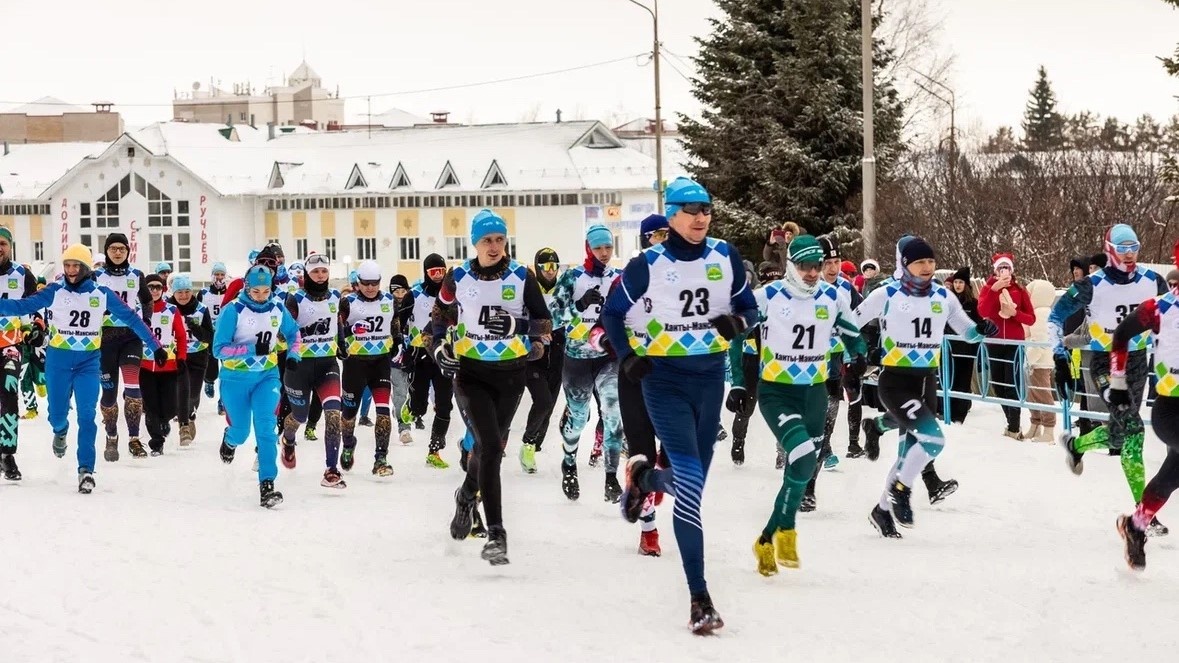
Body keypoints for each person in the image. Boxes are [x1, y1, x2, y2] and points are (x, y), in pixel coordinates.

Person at [605, 177, 758, 634]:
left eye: (706, 208)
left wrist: (738, 324)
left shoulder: (725, 256)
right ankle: (699, 599)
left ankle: (645, 478)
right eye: (690, 209)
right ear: (671, 215)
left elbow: (750, 309)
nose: (700, 217)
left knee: (691, 486)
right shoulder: (648, 263)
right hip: (664, 381)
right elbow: (612, 313)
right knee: (689, 485)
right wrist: (627, 356)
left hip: (710, 381)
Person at [732, 235, 866, 576]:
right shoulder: (769, 296)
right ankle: (782, 531)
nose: (812, 273)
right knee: (803, 455)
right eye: (805, 266)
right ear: (790, 265)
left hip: (814, 393)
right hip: (777, 392)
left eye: (817, 266)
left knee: (803, 468)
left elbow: (852, 335)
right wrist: (737, 381)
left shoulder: (833, 297)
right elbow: (735, 334)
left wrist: (858, 360)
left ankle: (772, 536)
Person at [853, 236, 995, 538]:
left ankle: (882, 510)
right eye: (920, 262)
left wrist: (982, 329)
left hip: (926, 381)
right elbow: (851, 322)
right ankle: (901, 490)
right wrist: (858, 352)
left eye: (931, 261)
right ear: (905, 265)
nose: (928, 266)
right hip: (896, 382)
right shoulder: (886, 293)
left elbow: (967, 331)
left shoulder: (944, 296)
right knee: (933, 441)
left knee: (909, 454)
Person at [0, 244, 164, 493]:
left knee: (87, 415)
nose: (71, 270)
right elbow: (22, 307)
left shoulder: (102, 294)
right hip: (58, 362)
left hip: (88, 363)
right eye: (67, 265)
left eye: (76, 265)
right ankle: (60, 431)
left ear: (86, 268)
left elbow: (131, 317)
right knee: (56, 415)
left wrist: (155, 346)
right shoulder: (55, 291)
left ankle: (86, 470)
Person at [438, 209, 552, 566]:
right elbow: (439, 316)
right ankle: (496, 534)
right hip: (470, 373)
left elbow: (544, 322)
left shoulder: (521, 275)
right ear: (474, 243)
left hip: (511, 374)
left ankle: (466, 496)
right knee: (489, 447)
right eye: (487, 240)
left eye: (500, 239)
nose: (494, 246)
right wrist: (439, 347)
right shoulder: (457, 276)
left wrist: (516, 326)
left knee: (491, 449)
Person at [1050, 224, 1167, 535]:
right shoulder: (1092, 285)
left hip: (1137, 362)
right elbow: (1055, 317)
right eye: (1122, 248)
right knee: (1133, 430)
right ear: (1110, 250)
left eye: (1134, 247)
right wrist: (1059, 357)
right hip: (1104, 362)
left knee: (1119, 434)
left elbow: (1171, 316)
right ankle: (1144, 515)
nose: (1129, 254)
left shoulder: (1152, 281)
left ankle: (1076, 444)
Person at [588, 213, 669, 556]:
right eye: (659, 235)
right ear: (646, 240)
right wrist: (612, 345)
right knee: (641, 452)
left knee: (674, 454)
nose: (666, 240)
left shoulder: (687, 279)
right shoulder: (627, 279)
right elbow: (597, 329)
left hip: (674, 374)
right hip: (635, 372)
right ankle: (649, 531)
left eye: (670, 233)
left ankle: (658, 476)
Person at [214, 264, 301, 508]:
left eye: (266, 291)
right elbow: (219, 349)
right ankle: (230, 439)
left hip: (267, 377)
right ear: (246, 288)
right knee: (242, 431)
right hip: (235, 379)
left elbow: (294, 333)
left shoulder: (277, 307)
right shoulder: (234, 310)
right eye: (256, 291)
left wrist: (294, 355)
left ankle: (267, 484)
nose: (262, 296)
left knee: (266, 429)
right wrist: (252, 349)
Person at [1114, 245, 1179, 568]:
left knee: (1171, 476)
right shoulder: (1159, 308)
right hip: (1170, 408)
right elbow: (1121, 334)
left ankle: (1136, 525)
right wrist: (1117, 382)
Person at [549, 224, 623, 501]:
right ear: (588, 248)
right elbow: (552, 318)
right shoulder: (572, 277)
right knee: (579, 419)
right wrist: (578, 306)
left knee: (613, 411)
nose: (604, 253)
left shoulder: (619, 278)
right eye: (598, 247)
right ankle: (569, 462)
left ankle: (611, 477)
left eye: (608, 247)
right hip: (577, 358)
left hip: (608, 358)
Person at [281, 252, 346, 487]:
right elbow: (285, 332)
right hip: (299, 366)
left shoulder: (336, 296)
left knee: (333, 414)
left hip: (327, 364)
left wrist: (342, 343)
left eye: (324, 271)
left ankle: (331, 469)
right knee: (300, 416)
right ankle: (288, 439)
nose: (320, 275)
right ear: (307, 274)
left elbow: (337, 322)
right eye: (315, 271)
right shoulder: (295, 299)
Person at [93, 233, 152, 461]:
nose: (118, 252)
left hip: (130, 338)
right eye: (113, 248)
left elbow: (147, 300)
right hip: (105, 341)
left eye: (122, 249)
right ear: (107, 251)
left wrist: (146, 322)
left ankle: (134, 439)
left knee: (133, 387)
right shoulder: (96, 275)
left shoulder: (136, 275)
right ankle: (111, 436)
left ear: (128, 251)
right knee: (109, 394)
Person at [338, 260, 399, 477]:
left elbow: (395, 325)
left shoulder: (389, 301)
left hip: (380, 363)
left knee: (383, 410)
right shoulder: (348, 302)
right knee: (349, 414)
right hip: (355, 364)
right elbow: (337, 330)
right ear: (358, 282)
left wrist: (398, 344)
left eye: (375, 283)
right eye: (366, 283)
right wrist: (350, 331)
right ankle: (348, 444)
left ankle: (381, 458)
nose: (371, 288)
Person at [729, 261, 783, 467]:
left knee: (782, 408)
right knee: (747, 406)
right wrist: (737, 382)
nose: (774, 286)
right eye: (770, 281)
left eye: (778, 280)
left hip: (779, 363)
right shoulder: (754, 301)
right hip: (753, 361)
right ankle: (738, 442)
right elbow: (736, 341)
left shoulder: (788, 302)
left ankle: (782, 451)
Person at [977, 253, 1036, 439]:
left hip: (1014, 343)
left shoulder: (1019, 290)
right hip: (994, 341)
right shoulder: (988, 288)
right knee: (998, 384)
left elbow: (1031, 318)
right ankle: (1011, 422)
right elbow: (983, 311)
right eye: (1001, 268)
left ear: (1012, 270)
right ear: (995, 271)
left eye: (1007, 268)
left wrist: (1015, 313)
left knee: (1011, 383)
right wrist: (993, 290)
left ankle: (1014, 427)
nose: (1004, 271)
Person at [406, 253, 456, 468]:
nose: (437, 276)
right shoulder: (414, 295)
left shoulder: (452, 296)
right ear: (426, 273)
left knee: (445, 405)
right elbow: (398, 320)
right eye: (433, 272)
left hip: (444, 354)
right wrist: (402, 347)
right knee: (420, 408)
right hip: (420, 354)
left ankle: (434, 450)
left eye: (441, 271)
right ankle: (412, 406)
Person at [0, 227, 41, 480]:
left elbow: (36, 306)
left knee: (9, 391)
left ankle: (7, 453)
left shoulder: (22, 274)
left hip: (10, 345)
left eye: (2, 243)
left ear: (10, 246)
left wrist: (37, 327)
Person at [520, 247, 564, 470]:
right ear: (537, 268)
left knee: (550, 405)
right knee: (543, 401)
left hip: (558, 352)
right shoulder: (529, 287)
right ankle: (527, 444)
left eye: (554, 265)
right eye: (545, 266)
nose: (550, 270)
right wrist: (535, 333)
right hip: (533, 354)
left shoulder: (564, 288)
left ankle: (534, 444)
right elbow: (520, 316)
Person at [139, 273, 188, 456]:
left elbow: (181, 336)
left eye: (158, 287)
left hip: (168, 365)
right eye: (150, 287)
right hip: (145, 366)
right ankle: (156, 442)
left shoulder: (171, 310)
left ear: (163, 289)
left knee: (170, 407)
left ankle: (164, 420)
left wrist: (181, 358)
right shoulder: (138, 310)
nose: (154, 291)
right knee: (150, 405)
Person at [169, 275, 213, 446]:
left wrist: (194, 327)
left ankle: (190, 415)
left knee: (193, 394)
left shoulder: (201, 309)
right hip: (176, 355)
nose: (184, 296)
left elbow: (209, 336)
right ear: (173, 293)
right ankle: (184, 427)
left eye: (187, 291)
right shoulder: (168, 308)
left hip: (198, 356)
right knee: (181, 390)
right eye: (179, 292)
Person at [1023, 278, 1058, 442]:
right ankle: (1035, 426)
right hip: (1036, 360)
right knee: (1033, 394)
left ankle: (1048, 430)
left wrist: (1029, 360)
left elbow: (1040, 341)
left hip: (1039, 361)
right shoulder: (1037, 312)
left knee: (1043, 395)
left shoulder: (1041, 313)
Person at [946, 267, 982, 424]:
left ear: (966, 284)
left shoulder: (973, 303)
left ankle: (959, 416)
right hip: (949, 348)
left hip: (966, 350)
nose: (957, 285)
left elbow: (978, 325)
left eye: (960, 282)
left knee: (963, 382)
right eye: (955, 282)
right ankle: (948, 412)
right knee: (950, 381)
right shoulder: (948, 302)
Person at [388, 274, 415, 447]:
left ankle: (402, 411)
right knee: (400, 392)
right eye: (396, 291)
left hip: (413, 355)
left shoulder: (413, 305)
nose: (399, 295)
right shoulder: (387, 307)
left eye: (402, 291)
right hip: (394, 358)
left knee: (413, 392)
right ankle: (404, 428)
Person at [200, 262, 230, 414]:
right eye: (216, 274)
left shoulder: (230, 293)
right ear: (212, 276)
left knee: (227, 370)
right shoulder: (204, 293)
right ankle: (209, 380)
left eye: (222, 275)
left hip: (227, 337)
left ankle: (223, 402)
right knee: (211, 367)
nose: (219, 278)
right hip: (210, 335)